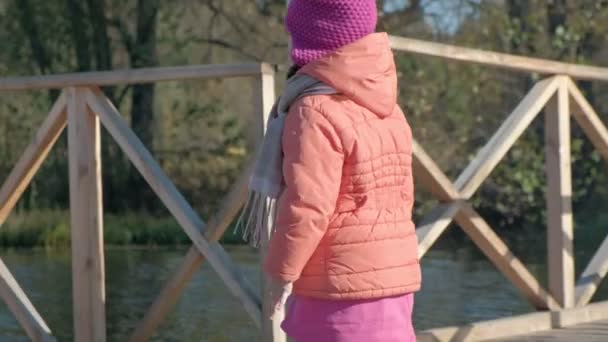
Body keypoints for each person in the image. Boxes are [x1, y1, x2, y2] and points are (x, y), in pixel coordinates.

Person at [241, 0, 421, 341]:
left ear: (307, 41)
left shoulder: (313, 109)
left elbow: (307, 207)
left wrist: (281, 273)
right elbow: (403, 195)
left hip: (337, 289)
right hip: (396, 281)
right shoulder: (387, 106)